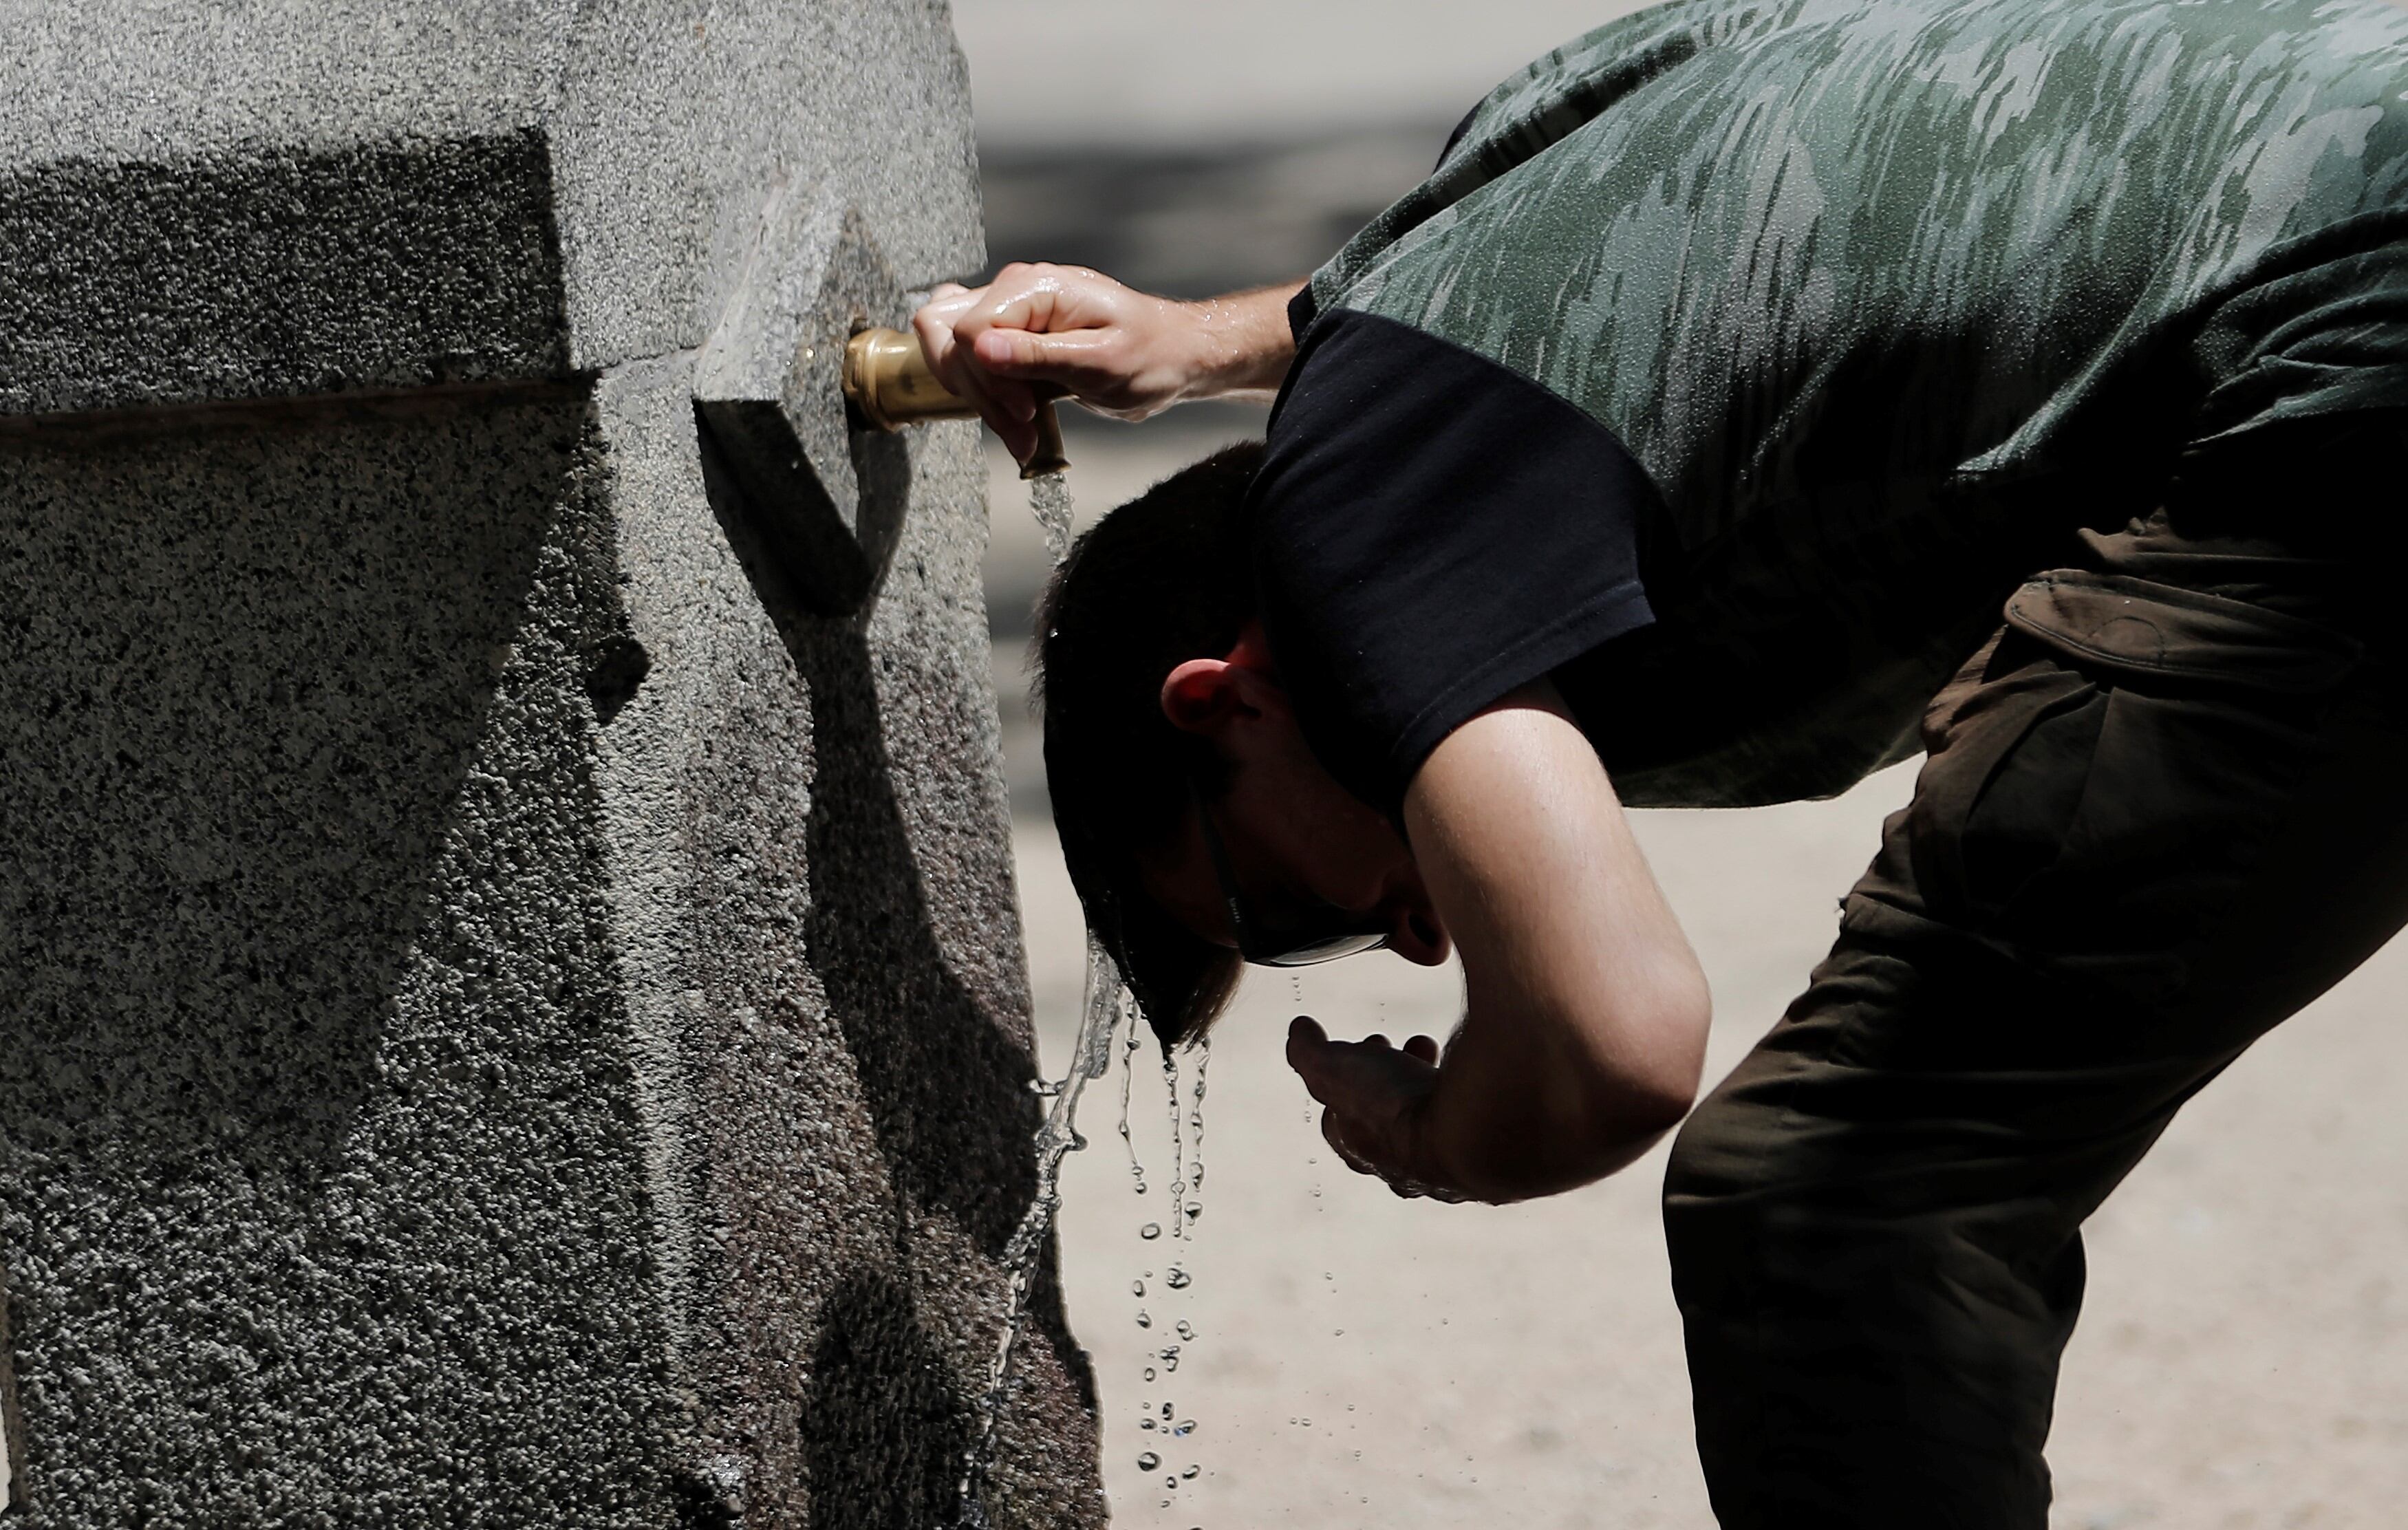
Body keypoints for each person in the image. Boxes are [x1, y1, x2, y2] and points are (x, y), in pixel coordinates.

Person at [916, 0, 2408, 1522]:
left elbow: (1611, 1045)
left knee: (1829, 1206)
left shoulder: (1356, 533)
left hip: (2347, 349)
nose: (1423, 936)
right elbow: (1610, 261)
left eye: (1308, 916)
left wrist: (1432, 1135)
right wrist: (1197, 339)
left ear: (1223, 699)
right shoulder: (1433, 335)